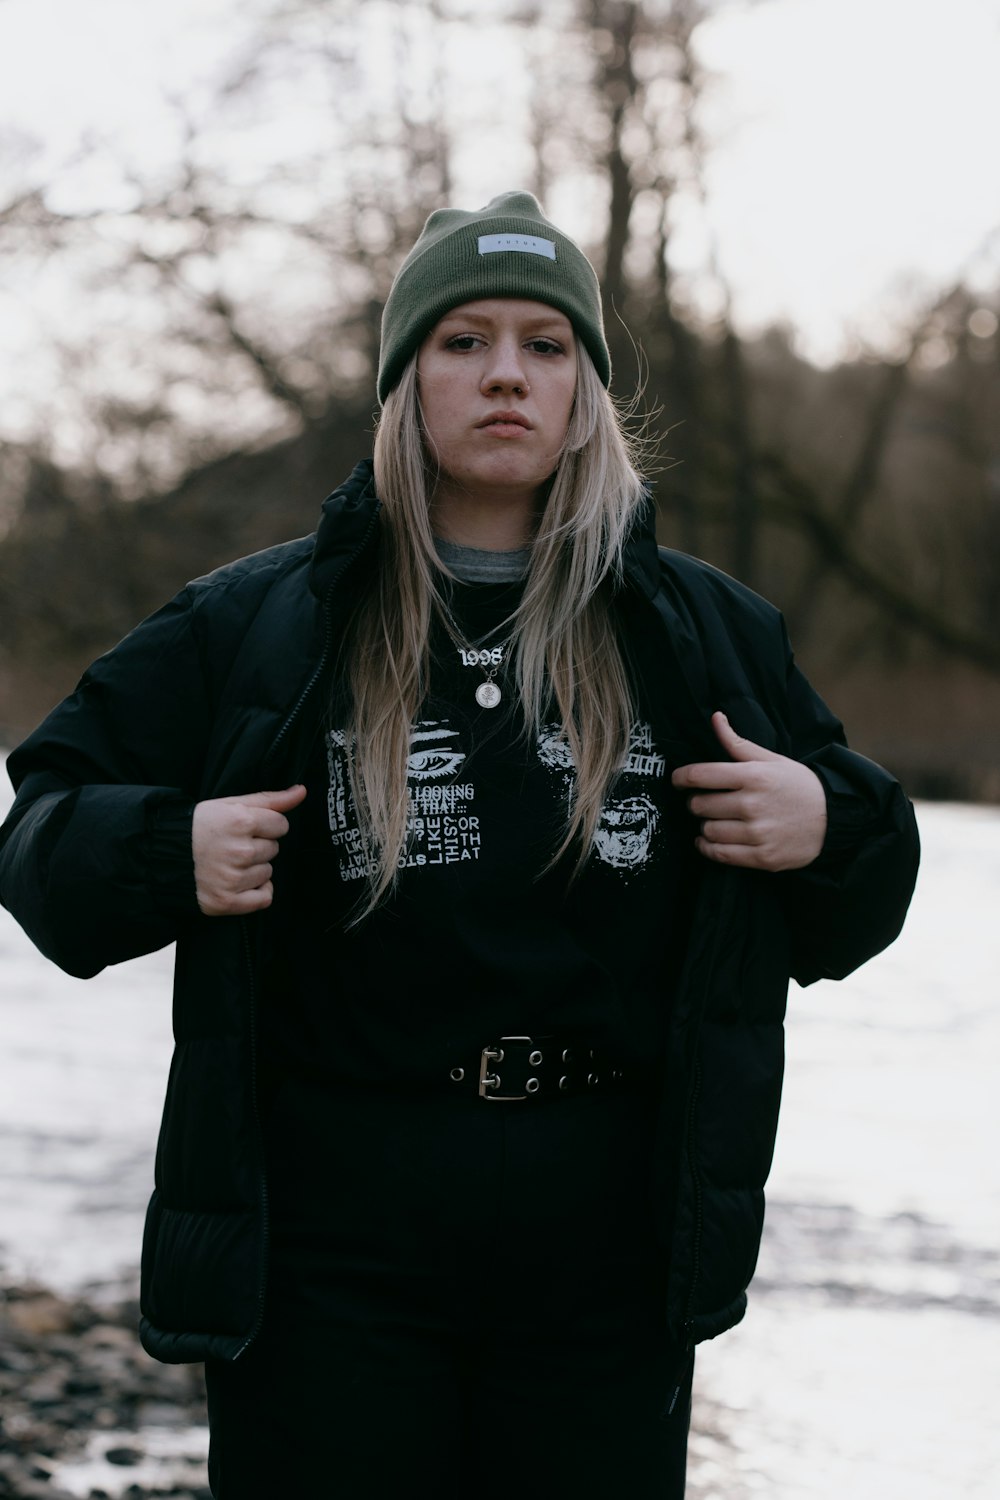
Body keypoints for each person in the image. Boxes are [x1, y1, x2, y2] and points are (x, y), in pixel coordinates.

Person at [0, 191, 919, 1498]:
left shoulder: (703, 632)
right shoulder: (258, 625)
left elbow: (858, 906)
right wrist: (164, 848)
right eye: (463, 340)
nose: (505, 374)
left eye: (547, 345)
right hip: (332, 1241)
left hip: (607, 1243)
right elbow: (40, 835)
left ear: (586, 391)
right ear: (405, 381)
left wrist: (830, 826)